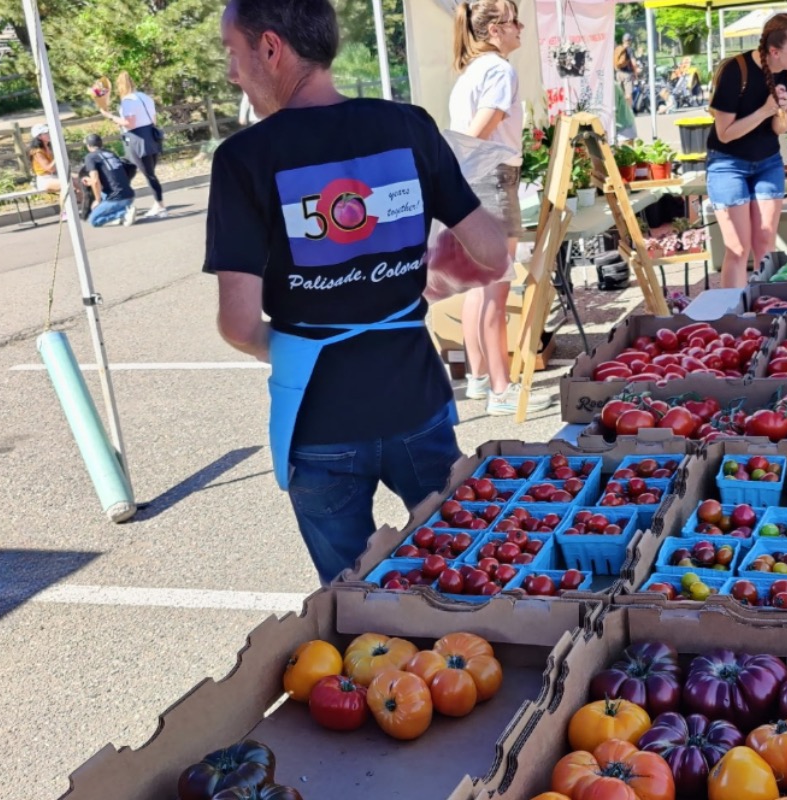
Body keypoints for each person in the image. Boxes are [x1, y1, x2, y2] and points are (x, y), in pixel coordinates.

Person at [205, 0, 510, 583]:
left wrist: (308, 344)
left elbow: (238, 324)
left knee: (355, 602)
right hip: (417, 401)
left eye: (233, 55)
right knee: (470, 573)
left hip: (319, 421)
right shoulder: (408, 126)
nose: (232, 73)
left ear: (271, 48)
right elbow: (492, 253)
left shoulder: (243, 158)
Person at [449, 0, 553, 416]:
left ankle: (479, 378)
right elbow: (482, 128)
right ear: (494, 30)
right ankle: (500, 388)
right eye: (513, 22)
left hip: (480, 178)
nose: (521, 27)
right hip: (492, 177)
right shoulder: (498, 69)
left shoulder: (474, 70)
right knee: (496, 288)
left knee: (480, 287)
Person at [705, 14, 787, 288]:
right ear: (774, 51)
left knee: (764, 244)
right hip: (727, 163)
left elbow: (780, 129)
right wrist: (765, 110)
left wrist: (782, 111)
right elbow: (725, 134)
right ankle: (734, 317)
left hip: (767, 162)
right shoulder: (735, 71)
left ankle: (765, 312)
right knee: (738, 248)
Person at [100, 71, 167, 219]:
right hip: (151, 136)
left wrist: (110, 116)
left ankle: (159, 205)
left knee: (148, 174)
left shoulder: (128, 101)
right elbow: (154, 120)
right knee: (133, 169)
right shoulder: (145, 97)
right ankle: (123, 201)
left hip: (136, 139)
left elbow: (129, 124)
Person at [81, 133, 137, 228]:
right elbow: (110, 177)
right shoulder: (110, 153)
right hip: (129, 195)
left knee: (94, 221)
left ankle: (123, 213)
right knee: (101, 191)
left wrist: (97, 201)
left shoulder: (90, 157)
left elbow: (95, 181)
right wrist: (91, 181)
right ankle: (121, 213)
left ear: (88, 146)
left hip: (117, 198)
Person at [27, 124, 61, 194]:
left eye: (48, 132)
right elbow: (49, 168)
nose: (49, 134)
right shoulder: (37, 152)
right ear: (39, 136)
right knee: (67, 185)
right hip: (45, 180)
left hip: (55, 176)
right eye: (46, 133)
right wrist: (58, 156)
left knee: (78, 181)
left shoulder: (50, 147)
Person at [615, 33, 640, 106]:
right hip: (627, 74)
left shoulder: (619, 48)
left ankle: (620, 111)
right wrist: (636, 73)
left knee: (620, 94)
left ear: (623, 40)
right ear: (630, 41)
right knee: (628, 94)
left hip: (618, 73)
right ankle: (629, 112)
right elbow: (634, 63)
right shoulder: (629, 49)